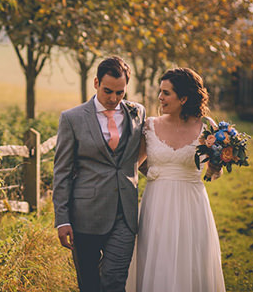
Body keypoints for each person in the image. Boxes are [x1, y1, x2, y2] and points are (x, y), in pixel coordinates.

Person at [126, 67, 225, 292]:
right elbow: (134, 164)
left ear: (184, 97)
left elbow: (213, 172)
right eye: (160, 91)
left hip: (192, 205)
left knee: (188, 261)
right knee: (158, 259)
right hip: (156, 204)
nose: (160, 97)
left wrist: (215, 167)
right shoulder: (149, 126)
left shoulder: (206, 126)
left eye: (166, 93)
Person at [53, 56, 146, 292]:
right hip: (85, 215)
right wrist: (62, 219)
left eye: (120, 93)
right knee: (90, 284)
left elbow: (146, 154)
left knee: (114, 281)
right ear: (95, 83)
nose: (114, 99)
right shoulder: (72, 118)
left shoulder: (138, 113)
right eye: (108, 91)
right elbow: (61, 172)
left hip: (125, 214)